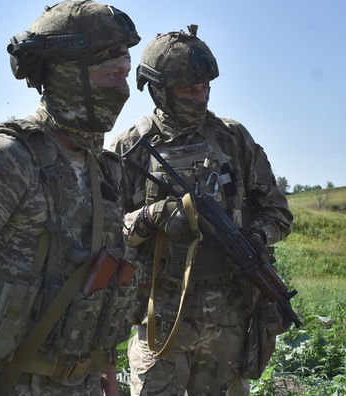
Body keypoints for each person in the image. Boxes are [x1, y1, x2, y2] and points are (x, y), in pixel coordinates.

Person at [0, 1, 141, 395]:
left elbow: (97, 284)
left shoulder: (107, 169)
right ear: (68, 77)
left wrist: (106, 373)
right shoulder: (9, 157)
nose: (121, 89)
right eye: (109, 75)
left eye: (124, 75)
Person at [109, 25, 293, 395]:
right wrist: (152, 216)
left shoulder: (232, 139)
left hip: (227, 321)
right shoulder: (131, 147)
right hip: (161, 319)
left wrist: (256, 237)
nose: (201, 96)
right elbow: (106, 233)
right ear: (159, 90)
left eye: (206, 87)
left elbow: (277, 212)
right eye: (189, 89)